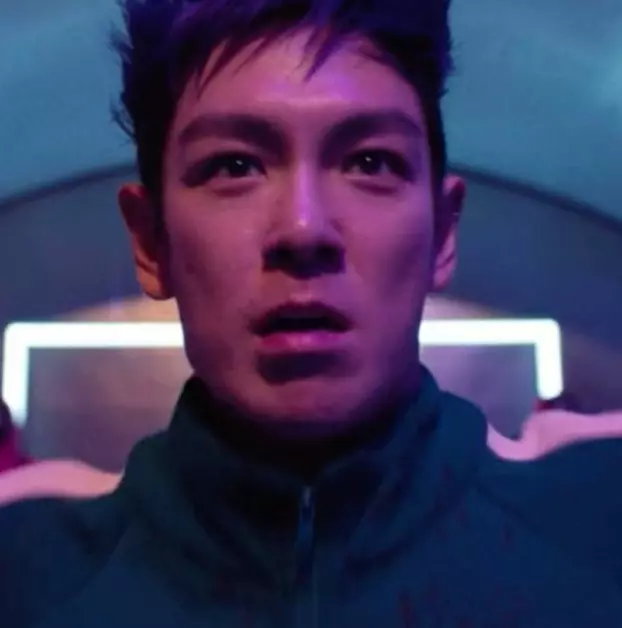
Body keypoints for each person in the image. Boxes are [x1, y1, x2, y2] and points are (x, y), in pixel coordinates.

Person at [1, 0, 622, 624]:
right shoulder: (26, 570)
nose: (303, 229)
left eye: (371, 162)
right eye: (234, 165)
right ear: (150, 242)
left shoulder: (599, 522)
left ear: (443, 234)